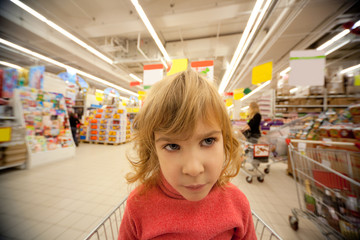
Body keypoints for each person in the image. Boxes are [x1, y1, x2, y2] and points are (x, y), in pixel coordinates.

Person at [119, 69, 256, 239]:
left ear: (225, 140)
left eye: (208, 141)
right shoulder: (138, 205)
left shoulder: (237, 203)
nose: (193, 169)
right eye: (173, 146)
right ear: (153, 150)